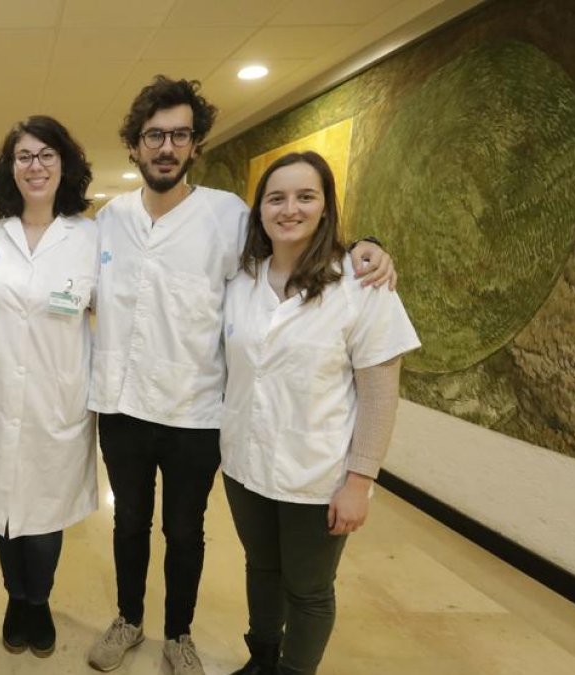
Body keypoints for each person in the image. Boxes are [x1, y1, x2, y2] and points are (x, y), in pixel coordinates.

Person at [86, 76, 396, 675]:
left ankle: (178, 634)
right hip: (122, 406)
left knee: (185, 531)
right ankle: (128, 618)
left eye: (180, 134)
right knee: (128, 522)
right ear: (134, 145)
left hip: (197, 412)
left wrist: (368, 248)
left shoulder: (229, 216)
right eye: (154, 135)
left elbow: (299, 241)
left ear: (195, 144)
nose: (166, 147)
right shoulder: (109, 218)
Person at [221, 151, 419, 675]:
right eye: (276, 198)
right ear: (259, 210)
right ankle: (261, 657)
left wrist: (360, 481)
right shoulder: (241, 282)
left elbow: (380, 394)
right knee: (261, 568)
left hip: (318, 474)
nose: (290, 209)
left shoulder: (360, 286)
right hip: (244, 465)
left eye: (305, 196)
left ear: (326, 205)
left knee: (308, 589)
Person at [0, 115, 99, 658]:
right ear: (10, 167)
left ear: (63, 164)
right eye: (24, 156)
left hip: (56, 398)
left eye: (46, 154)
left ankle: (37, 601)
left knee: (43, 509)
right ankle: (14, 597)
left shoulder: (89, 236)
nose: (35, 165)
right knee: (3, 506)